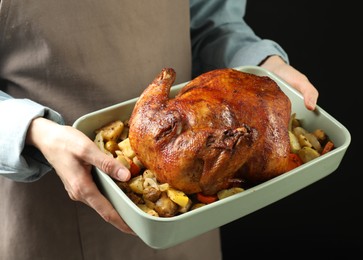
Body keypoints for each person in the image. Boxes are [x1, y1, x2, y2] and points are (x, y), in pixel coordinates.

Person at [0, 0, 318, 259]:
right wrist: (34, 132)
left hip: (190, 222)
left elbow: (213, 24)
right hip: (50, 208)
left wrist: (264, 65)